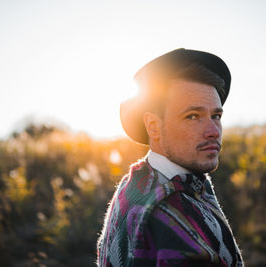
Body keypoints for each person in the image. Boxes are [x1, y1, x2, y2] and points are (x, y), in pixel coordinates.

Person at [97, 48, 243, 267]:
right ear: (154, 126)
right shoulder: (163, 210)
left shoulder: (137, 180)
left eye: (216, 116)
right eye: (192, 116)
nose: (213, 130)